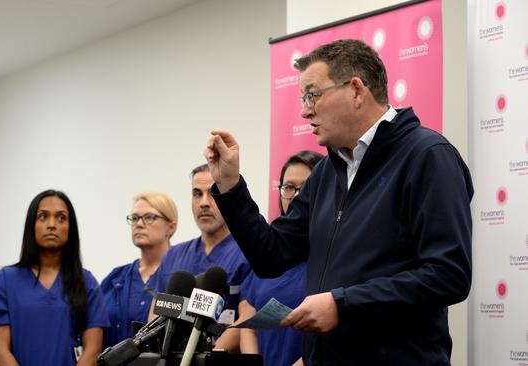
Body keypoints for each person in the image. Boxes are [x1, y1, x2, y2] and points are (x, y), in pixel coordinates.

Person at [205, 39, 473, 365]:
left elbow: (448, 275)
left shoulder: (427, 156)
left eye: (312, 95)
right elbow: (271, 256)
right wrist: (230, 186)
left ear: (357, 91)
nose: (305, 110)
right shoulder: (327, 174)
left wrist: (342, 304)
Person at [0, 190, 109, 365]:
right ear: (32, 224)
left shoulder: (86, 282)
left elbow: (93, 351)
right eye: (43, 217)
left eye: (61, 218)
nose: (52, 224)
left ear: (70, 228)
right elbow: (1, 352)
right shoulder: (4, 282)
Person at [149, 164, 252, 352]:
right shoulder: (173, 256)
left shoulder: (247, 254)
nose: (204, 202)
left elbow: (246, 320)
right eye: (197, 194)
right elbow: (155, 316)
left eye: (212, 193)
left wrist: (202, 359)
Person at [239, 150, 323, 366]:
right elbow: (248, 325)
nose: (296, 196)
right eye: (288, 187)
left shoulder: (333, 257)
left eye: (305, 189)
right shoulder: (268, 256)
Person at [101, 192, 178, 348]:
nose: (139, 224)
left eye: (149, 217)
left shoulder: (179, 278)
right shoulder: (115, 278)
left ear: (170, 227)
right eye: (135, 218)